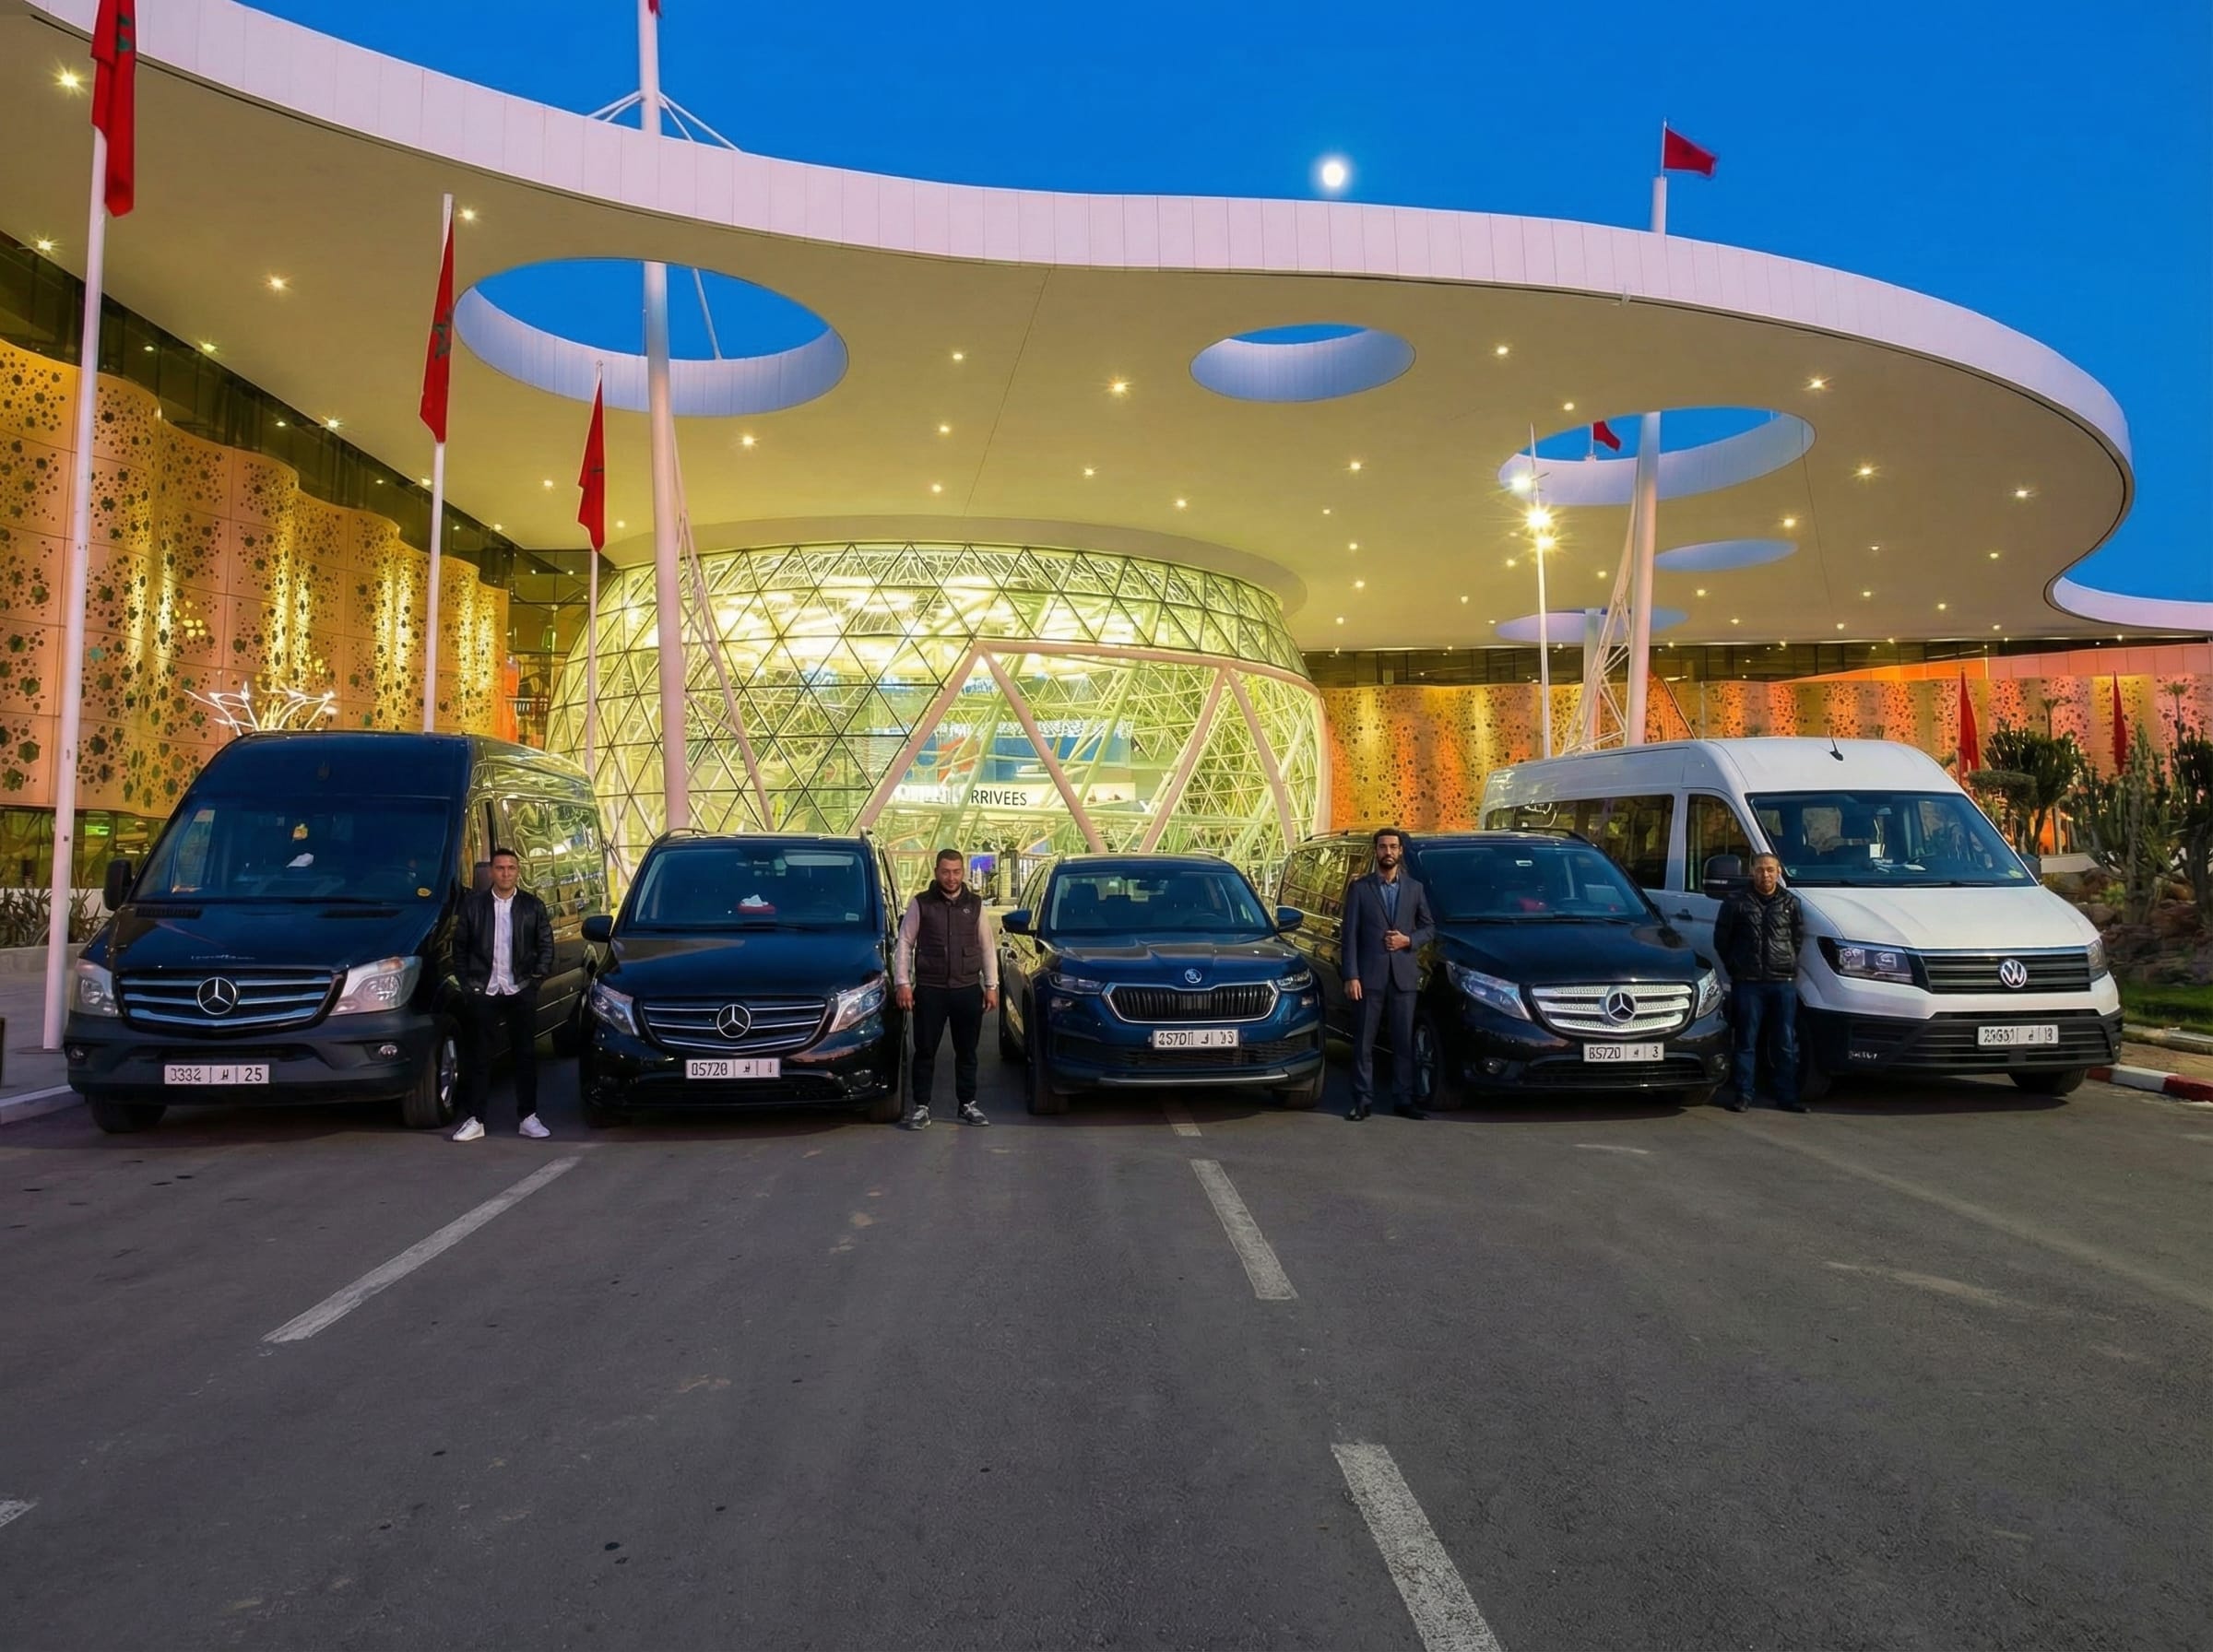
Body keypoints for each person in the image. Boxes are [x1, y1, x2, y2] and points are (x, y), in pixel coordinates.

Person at [450, 846, 555, 1141]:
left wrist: (535, 980)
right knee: (480, 1057)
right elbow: (460, 948)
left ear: (517, 871)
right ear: (491, 872)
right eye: (500, 868)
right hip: (484, 990)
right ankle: (476, 1119)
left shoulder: (532, 906)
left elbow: (546, 946)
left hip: (520, 989)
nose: (506, 873)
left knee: (524, 1056)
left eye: (511, 868)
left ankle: (528, 1117)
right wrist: (468, 984)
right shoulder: (474, 906)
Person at [893, 848, 1000, 1128]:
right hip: (930, 990)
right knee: (925, 1050)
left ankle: (968, 1105)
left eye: (956, 872)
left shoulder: (975, 905)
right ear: (936, 872)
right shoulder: (921, 903)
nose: (951, 878)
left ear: (963, 872)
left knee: (967, 1052)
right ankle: (921, 1107)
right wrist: (903, 983)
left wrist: (991, 986)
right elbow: (905, 943)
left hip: (967, 989)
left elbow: (987, 946)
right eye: (945, 872)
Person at [1341, 827, 1437, 1121]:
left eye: (1393, 847)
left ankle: (1403, 1099)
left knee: (1402, 1042)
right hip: (1368, 977)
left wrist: (1408, 940)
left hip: (1403, 977)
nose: (1388, 852)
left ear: (1400, 852)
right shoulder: (1360, 889)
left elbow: (1429, 928)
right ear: (1376, 851)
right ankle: (1362, 1100)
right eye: (1383, 847)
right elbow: (1350, 935)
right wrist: (1351, 976)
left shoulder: (1415, 889)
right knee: (1364, 1042)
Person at [1712, 852, 1808, 1113]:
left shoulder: (1790, 903)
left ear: (1778, 872)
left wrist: (1785, 963)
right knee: (1746, 1040)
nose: (1765, 875)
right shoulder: (1736, 902)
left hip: (1782, 982)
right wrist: (1736, 967)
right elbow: (1722, 940)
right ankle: (1744, 1094)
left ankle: (1786, 1096)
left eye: (1770, 870)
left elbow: (1797, 938)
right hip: (1748, 982)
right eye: (1760, 870)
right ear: (1752, 872)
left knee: (1784, 1041)